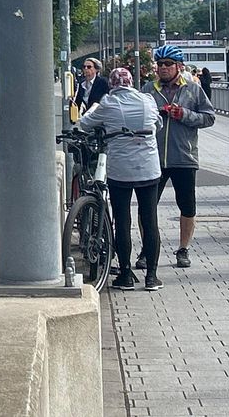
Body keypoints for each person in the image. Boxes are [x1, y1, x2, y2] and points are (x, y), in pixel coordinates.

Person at [77, 67, 163, 292]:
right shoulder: (147, 100)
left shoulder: (107, 104)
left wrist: (95, 109)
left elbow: (84, 124)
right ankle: (152, 277)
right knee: (149, 220)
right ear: (131, 82)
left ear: (112, 85)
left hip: (120, 170)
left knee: (122, 220)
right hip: (148, 167)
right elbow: (158, 125)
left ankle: (125, 274)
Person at [140, 44, 215, 270]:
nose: (162, 68)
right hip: (153, 157)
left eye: (167, 64)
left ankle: (183, 249)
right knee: (147, 207)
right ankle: (147, 250)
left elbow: (209, 117)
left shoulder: (193, 89)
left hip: (184, 156)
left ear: (178, 67)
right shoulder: (148, 89)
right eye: (159, 64)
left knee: (187, 205)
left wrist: (184, 114)